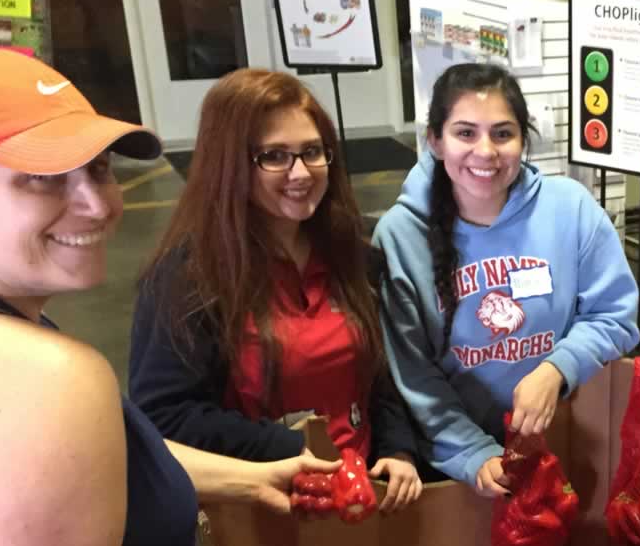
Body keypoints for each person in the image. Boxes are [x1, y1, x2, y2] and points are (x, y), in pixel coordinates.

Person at [0, 50, 399, 546]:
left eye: (98, 169)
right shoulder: (52, 372)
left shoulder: (30, 339)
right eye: (42, 178)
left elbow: (111, 459)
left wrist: (247, 478)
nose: (99, 206)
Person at [128, 69, 422, 512]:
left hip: (361, 495)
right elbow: (164, 417)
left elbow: (380, 373)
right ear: (229, 165)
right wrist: (296, 447)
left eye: (312, 152)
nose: (300, 172)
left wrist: (397, 449)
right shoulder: (187, 280)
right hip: (258, 505)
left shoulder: (353, 255)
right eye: (274, 156)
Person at [373, 63, 639, 497]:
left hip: (563, 444)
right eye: (465, 133)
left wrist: (558, 368)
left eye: (502, 133)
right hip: (453, 464)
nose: (486, 151)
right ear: (435, 141)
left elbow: (616, 315)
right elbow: (412, 374)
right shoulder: (400, 236)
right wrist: (473, 452)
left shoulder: (569, 208)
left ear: (523, 139)